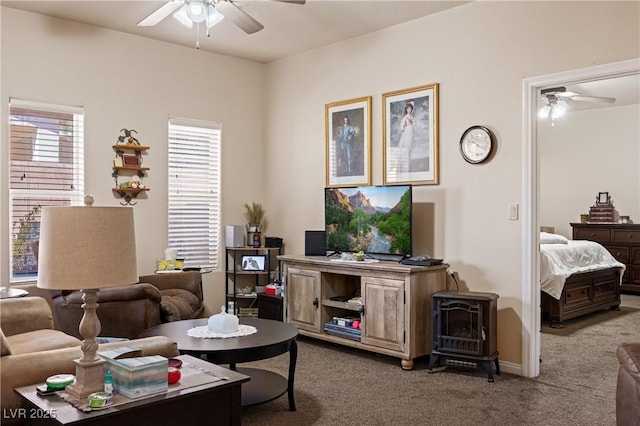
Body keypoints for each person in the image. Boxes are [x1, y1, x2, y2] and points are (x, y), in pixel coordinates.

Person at [398, 101, 415, 172]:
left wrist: (412, 124)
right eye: (408, 109)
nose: (409, 110)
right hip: (407, 130)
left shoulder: (411, 117)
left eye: (410, 109)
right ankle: (404, 164)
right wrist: (403, 128)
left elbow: (414, 124)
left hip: (411, 131)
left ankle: (408, 163)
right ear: (406, 109)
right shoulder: (406, 116)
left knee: (410, 146)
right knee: (406, 146)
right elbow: (401, 123)